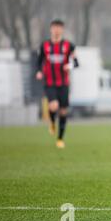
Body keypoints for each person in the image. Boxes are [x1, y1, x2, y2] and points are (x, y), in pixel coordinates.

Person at [36, 19, 79, 149]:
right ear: (51, 29)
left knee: (63, 111)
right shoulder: (44, 45)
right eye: (54, 27)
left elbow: (76, 63)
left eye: (59, 27)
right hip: (50, 82)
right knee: (54, 106)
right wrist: (39, 71)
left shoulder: (69, 46)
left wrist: (69, 66)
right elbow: (39, 61)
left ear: (62, 30)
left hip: (64, 83)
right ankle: (52, 121)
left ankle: (60, 139)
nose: (56, 30)